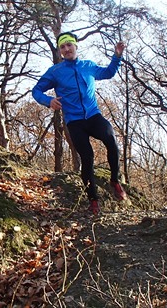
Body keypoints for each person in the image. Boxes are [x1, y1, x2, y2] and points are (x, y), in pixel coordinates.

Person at [32, 31, 127, 215]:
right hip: (75, 121)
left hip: (93, 116)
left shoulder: (88, 66)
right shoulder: (55, 72)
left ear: (76, 46)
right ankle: (93, 201)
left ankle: (114, 181)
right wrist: (48, 101)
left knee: (111, 139)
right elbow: (36, 90)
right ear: (60, 51)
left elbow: (108, 73)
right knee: (87, 157)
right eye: (63, 47)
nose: (66, 49)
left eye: (69, 45)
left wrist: (117, 56)